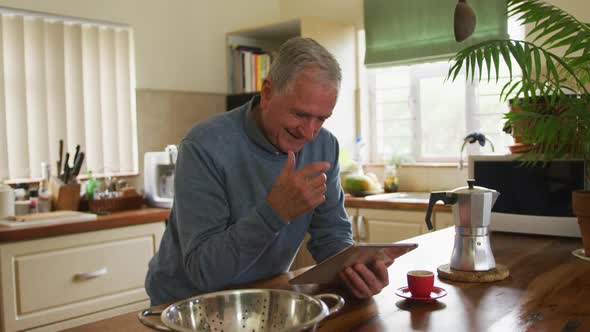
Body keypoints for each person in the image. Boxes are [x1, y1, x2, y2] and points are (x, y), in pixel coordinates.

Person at [145, 37, 392, 305]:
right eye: (299, 114)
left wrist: (354, 271)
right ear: (267, 93)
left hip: (265, 296)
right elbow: (204, 271)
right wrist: (275, 213)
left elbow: (331, 234)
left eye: (321, 118)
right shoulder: (204, 146)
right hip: (186, 304)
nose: (309, 133)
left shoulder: (324, 146)